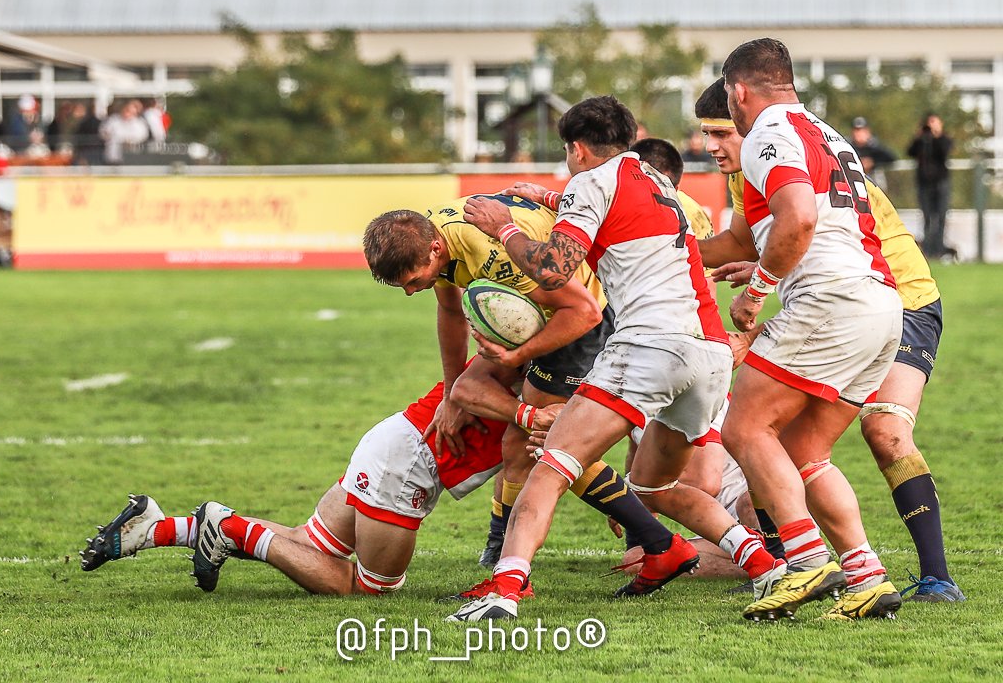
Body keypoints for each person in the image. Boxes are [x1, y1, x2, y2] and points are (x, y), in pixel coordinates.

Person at [449, 96, 783, 622]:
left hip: (650, 346)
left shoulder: (589, 182)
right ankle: (768, 567)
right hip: (710, 354)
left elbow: (554, 268)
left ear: (577, 149)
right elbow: (617, 212)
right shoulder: (655, 179)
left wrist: (504, 228)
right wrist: (548, 197)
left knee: (551, 463)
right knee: (654, 486)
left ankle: (504, 591)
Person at [693, 76, 963, 604]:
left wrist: (760, 288)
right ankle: (842, 569)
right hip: (855, 300)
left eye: (722, 131)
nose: (712, 145)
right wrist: (658, 245)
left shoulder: (778, 146)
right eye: (706, 133)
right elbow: (743, 240)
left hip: (900, 295)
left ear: (747, 113)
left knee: (880, 431)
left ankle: (928, 575)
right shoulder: (760, 161)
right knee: (793, 443)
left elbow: (811, 228)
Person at [363, 198, 684, 591]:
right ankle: (648, 544)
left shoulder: (491, 254)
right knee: (475, 398)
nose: (412, 292)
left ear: (434, 249)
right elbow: (450, 312)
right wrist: (448, 396)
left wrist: (516, 356)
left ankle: (649, 545)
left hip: (584, 320)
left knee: (543, 444)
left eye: (414, 281)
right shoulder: (430, 235)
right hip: (544, 313)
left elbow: (583, 312)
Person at [702, 38, 904, 622]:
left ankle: (807, 562)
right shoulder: (823, 131)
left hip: (830, 301)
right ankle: (867, 578)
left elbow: (800, 217)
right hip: (878, 303)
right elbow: (759, 235)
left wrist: (757, 292)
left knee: (743, 427)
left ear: (739, 91)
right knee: (804, 451)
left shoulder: (766, 132)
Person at [80, 362, 558, 596]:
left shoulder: (537, 338)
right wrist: (531, 416)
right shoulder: (550, 350)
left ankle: (159, 528)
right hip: (408, 464)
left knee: (310, 544)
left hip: (394, 441)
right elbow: (476, 391)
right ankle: (228, 527)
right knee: (368, 588)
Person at [907, 113, 954, 259]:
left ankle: (939, 249)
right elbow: (910, 151)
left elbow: (944, 151)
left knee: (941, 216)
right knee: (927, 217)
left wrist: (937, 135)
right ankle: (927, 250)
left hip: (941, 183)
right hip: (924, 184)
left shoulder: (944, 139)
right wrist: (919, 137)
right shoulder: (922, 141)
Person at [849, 117, 896, 189]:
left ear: (867, 132)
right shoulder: (848, 146)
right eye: (857, 131)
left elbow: (891, 158)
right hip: (854, 183)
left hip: (875, 182)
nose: (859, 134)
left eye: (862, 131)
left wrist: (872, 162)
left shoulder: (874, 146)